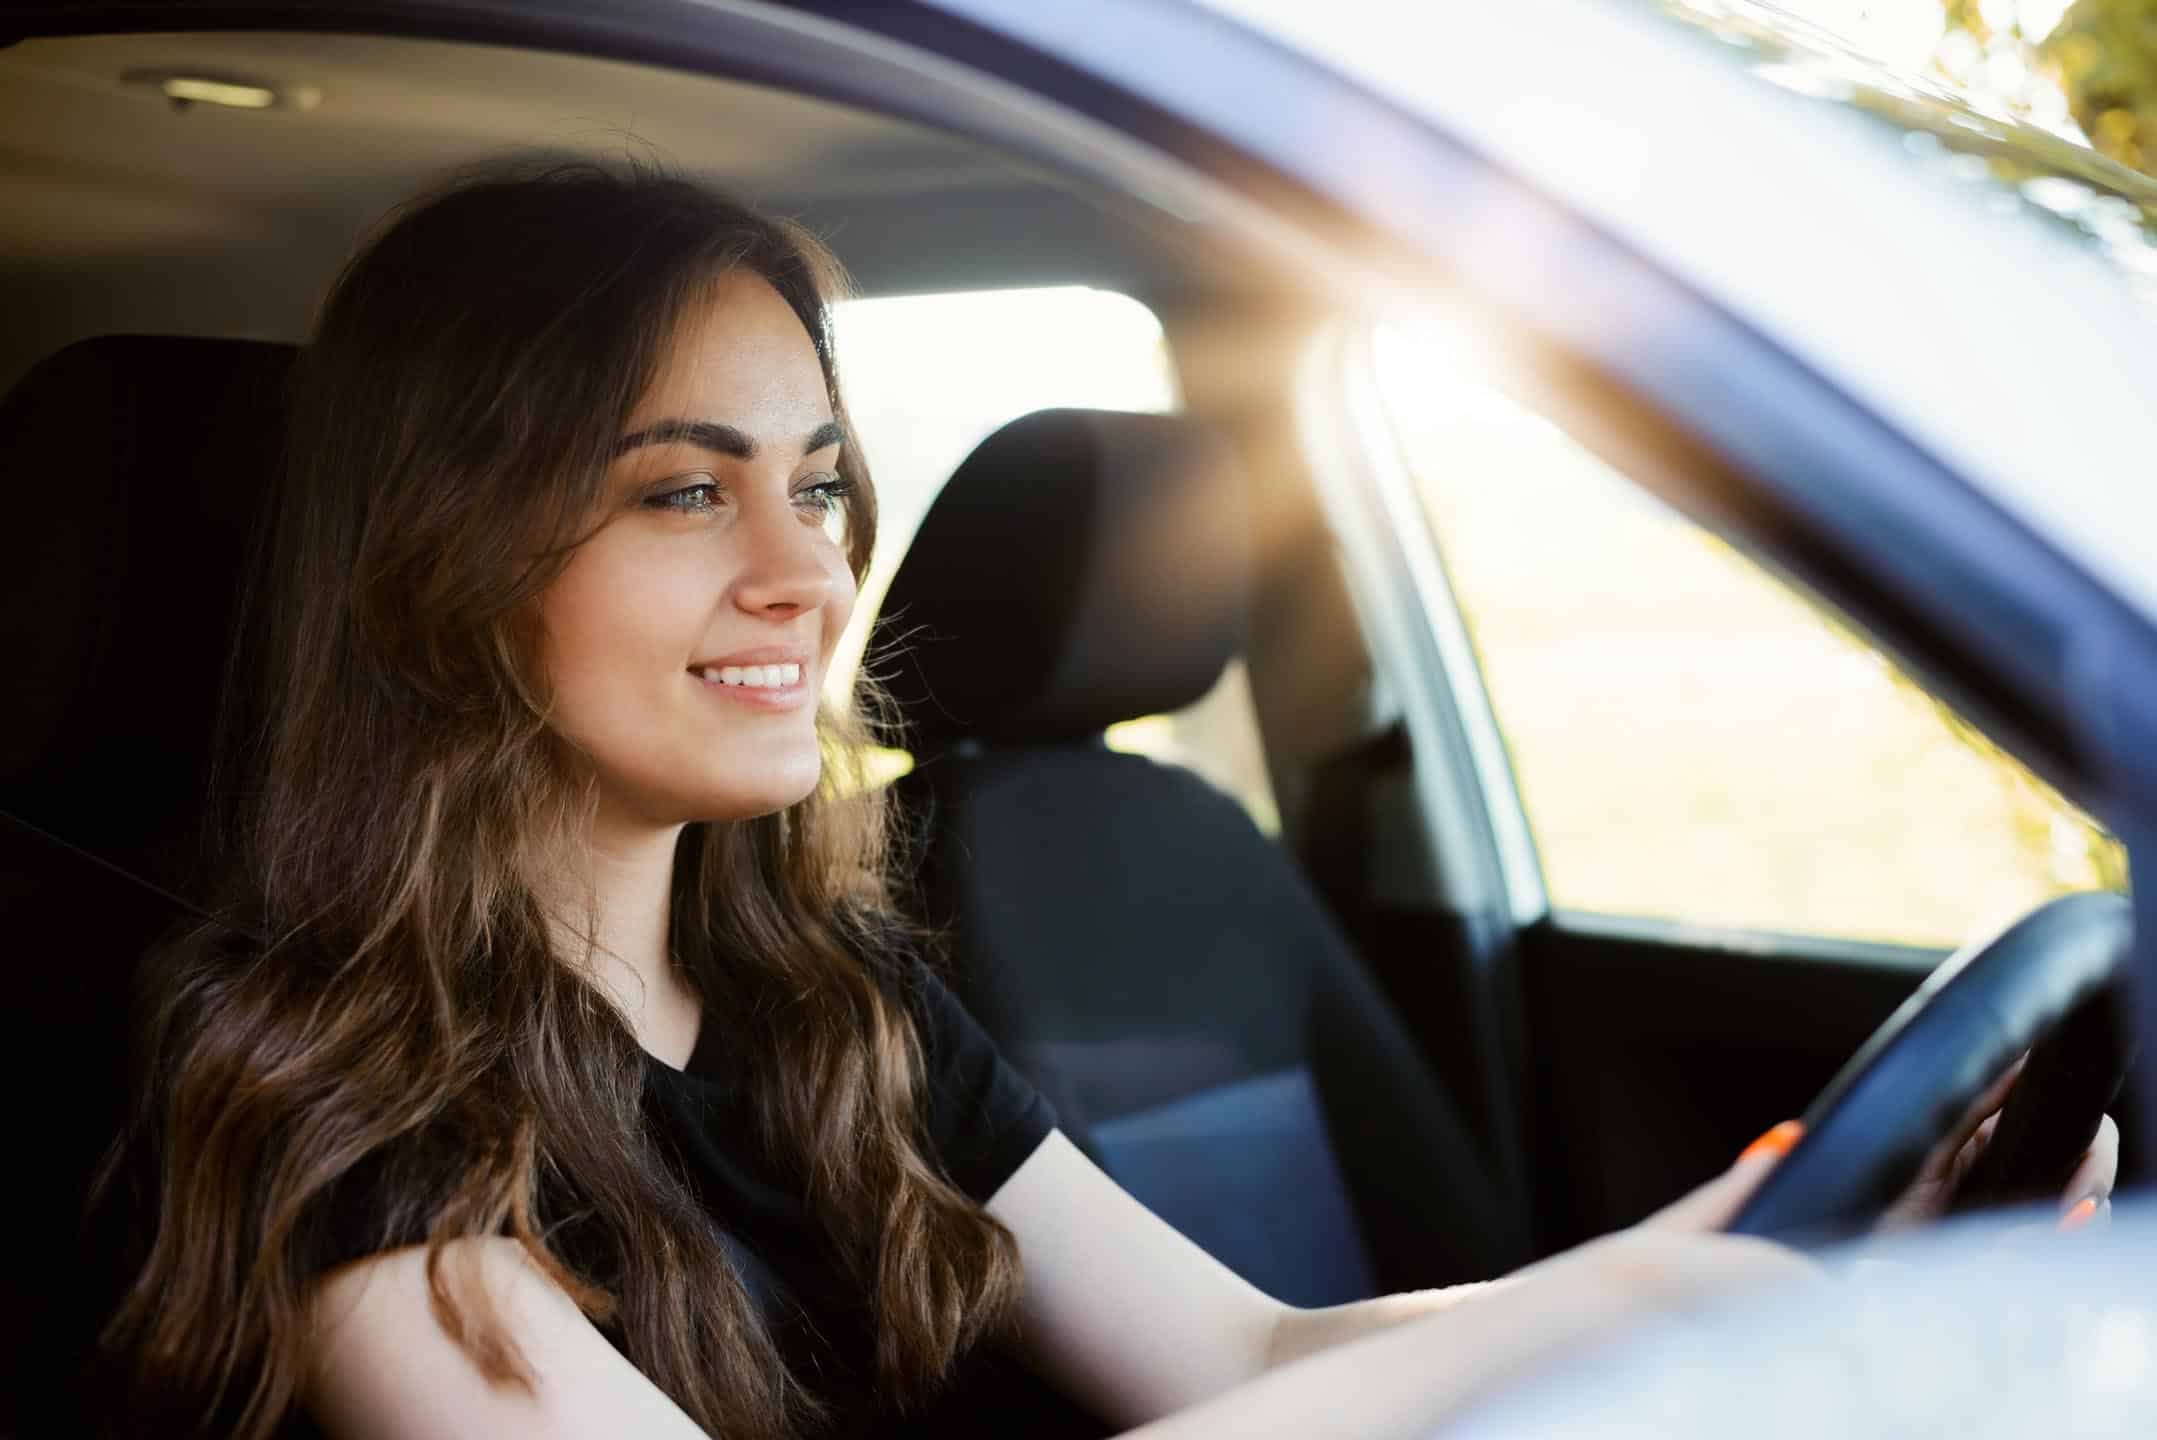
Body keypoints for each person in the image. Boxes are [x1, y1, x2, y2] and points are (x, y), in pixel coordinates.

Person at [90, 162, 2118, 1440]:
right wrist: (1701, 1325)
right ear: (450, 558)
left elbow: (1240, 1366)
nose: (806, 570)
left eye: (814, 480)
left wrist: (1742, 1240)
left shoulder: (829, 996)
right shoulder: (333, 1121)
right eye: (684, 486)